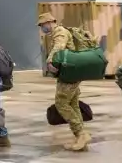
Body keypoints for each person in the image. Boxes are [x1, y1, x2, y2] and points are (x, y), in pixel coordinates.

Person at [40, 11, 90, 152]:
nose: (42, 28)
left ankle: (81, 134)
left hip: (69, 74)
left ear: (49, 22)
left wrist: (50, 60)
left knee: (61, 103)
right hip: (71, 72)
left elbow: (59, 47)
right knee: (73, 104)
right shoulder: (62, 31)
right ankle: (80, 138)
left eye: (42, 25)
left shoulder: (59, 32)